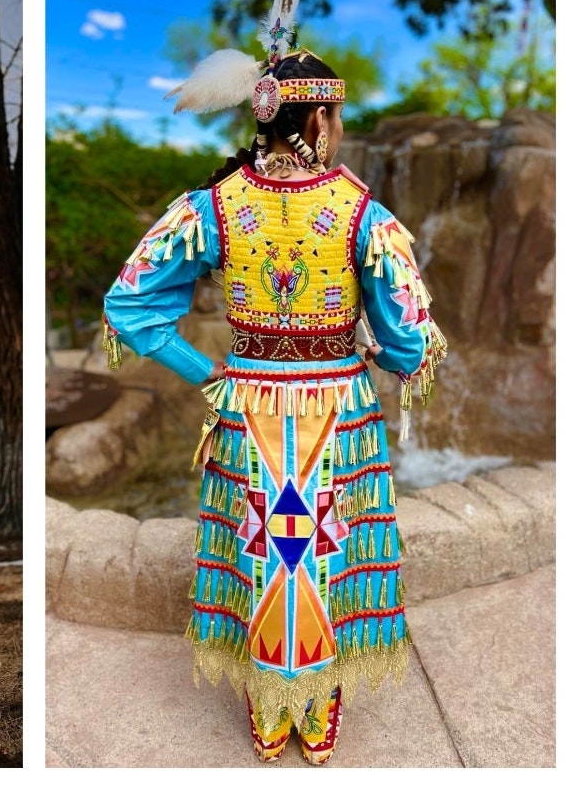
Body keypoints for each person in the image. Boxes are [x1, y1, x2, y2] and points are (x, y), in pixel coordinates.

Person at [102, 49, 446, 765]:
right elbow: (412, 340)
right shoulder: (361, 213)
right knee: (323, 548)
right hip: (338, 412)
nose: (340, 127)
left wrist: (206, 370)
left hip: (246, 405)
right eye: (338, 116)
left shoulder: (215, 204)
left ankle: (268, 704)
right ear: (317, 118)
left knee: (261, 548)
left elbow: (128, 304)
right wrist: (382, 353)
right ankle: (315, 707)